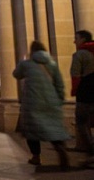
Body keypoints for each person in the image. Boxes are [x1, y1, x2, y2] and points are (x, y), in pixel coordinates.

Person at [13, 41, 70, 170]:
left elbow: (16, 74)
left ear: (32, 51)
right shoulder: (52, 64)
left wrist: (23, 61)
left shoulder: (27, 64)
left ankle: (36, 157)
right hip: (51, 102)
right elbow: (60, 84)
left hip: (33, 103)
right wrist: (59, 99)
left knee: (32, 131)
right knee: (54, 129)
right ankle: (60, 148)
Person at [70, 30, 94, 156]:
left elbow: (75, 75)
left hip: (86, 93)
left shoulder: (80, 55)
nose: (75, 41)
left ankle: (90, 150)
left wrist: (75, 91)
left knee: (82, 123)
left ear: (83, 39)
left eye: (77, 38)